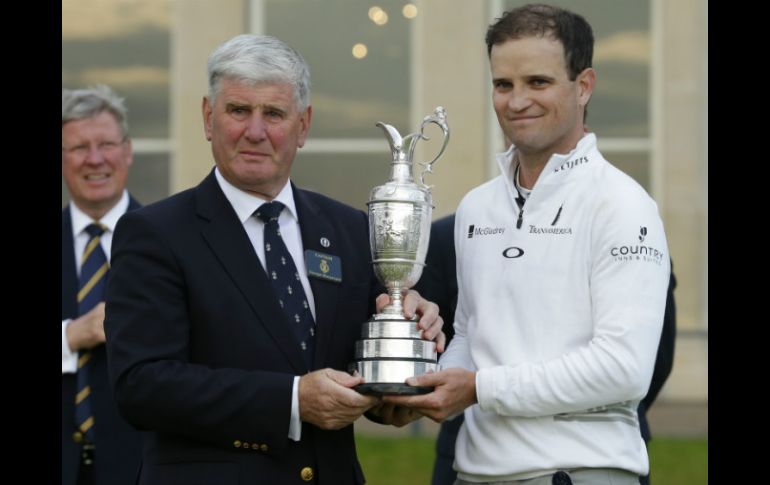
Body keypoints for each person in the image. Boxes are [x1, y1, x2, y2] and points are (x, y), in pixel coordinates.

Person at [103, 34, 442, 485]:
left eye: (274, 114)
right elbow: (142, 386)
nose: (255, 131)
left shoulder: (348, 231)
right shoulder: (155, 234)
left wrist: (401, 363)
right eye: (238, 110)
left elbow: (357, 370)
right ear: (209, 117)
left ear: (303, 126)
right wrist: (293, 400)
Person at [386, 5, 670, 484]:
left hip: (579, 472)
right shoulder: (477, 208)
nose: (516, 101)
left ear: (583, 86)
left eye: (538, 82)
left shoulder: (622, 205)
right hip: (473, 473)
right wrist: (424, 387)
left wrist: (478, 389)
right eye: (503, 84)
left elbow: (624, 370)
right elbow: (472, 336)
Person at [415, 214, 677, 485]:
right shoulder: (453, 232)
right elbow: (442, 342)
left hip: (597, 458)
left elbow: (653, 359)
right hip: (470, 453)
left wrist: (599, 408)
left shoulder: (623, 224)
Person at [62, 85, 143, 485]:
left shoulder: (172, 241)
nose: (95, 159)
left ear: (127, 150)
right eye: (78, 147)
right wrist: (72, 335)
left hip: (143, 467)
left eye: (106, 144)